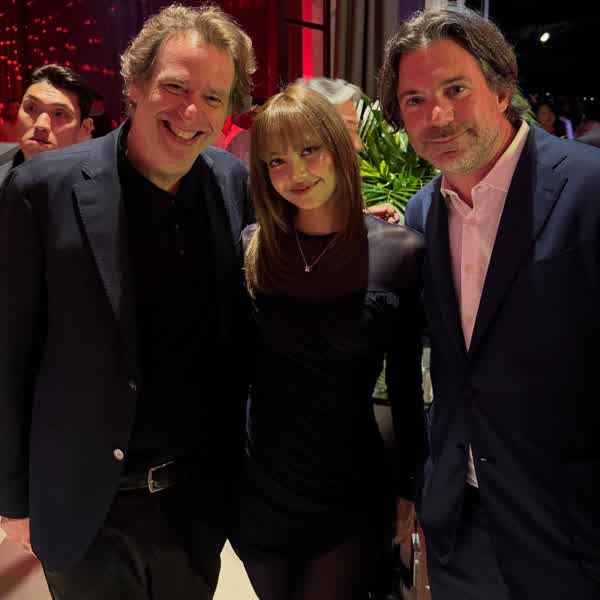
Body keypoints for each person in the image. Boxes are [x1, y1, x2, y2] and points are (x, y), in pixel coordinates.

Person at [0, 4, 256, 599]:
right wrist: (13, 498)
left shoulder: (229, 181)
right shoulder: (42, 190)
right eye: (175, 87)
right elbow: (9, 357)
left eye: (212, 98)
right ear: (135, 84)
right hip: (88, 507)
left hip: (194, 506)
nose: (191, 112)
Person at [378, 6, 600, 600]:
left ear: (501, 90)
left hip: (572, 527)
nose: (438, 116)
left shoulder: (589, 187)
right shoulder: (423, 212)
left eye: (456, 89)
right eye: (415, 100)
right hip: (463, 524)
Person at [230, 84, 427, 600]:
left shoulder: (399, 252)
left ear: (338, 147)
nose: (295, 172)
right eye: (276, 160)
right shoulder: (251, 248)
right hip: (259, 485)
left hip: (349, 487)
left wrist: (410, 486)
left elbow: (405, 385)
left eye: (308, 150)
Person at [0, 64, 94, 186]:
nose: (41, 125)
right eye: (31, 108)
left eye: (59, 114)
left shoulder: (98, 185)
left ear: (84, 128)